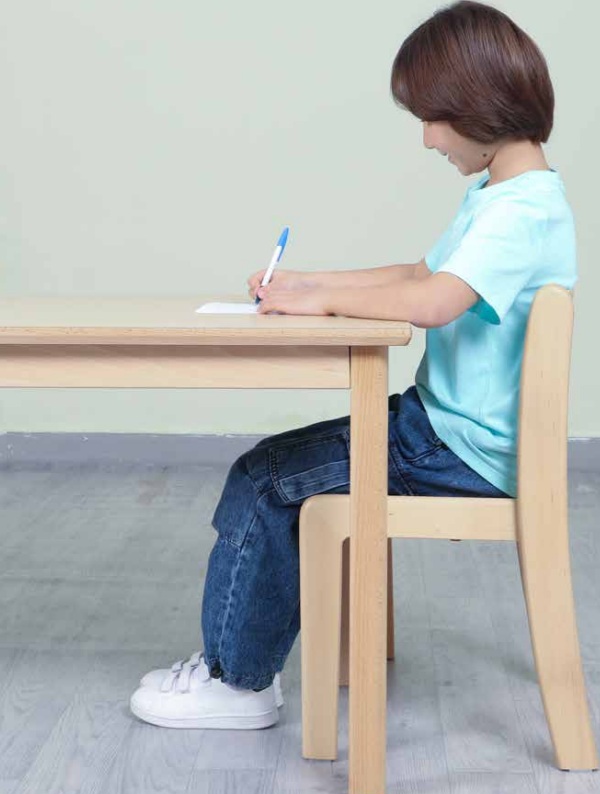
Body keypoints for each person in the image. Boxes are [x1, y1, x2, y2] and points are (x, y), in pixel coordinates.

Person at [130, 0, 576, 729]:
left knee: (265, 477)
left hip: (451, 451)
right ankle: (239, 672)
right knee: (276, 469)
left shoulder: (522, 213)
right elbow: (422, 269)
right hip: (443, 434)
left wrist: (322, 305)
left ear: (480, 105)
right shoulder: (507, 198)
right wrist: (314, 286)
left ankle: (235, 684)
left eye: (433, 117)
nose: (428, 138)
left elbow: (432, 300)